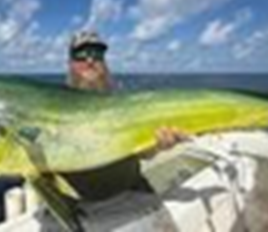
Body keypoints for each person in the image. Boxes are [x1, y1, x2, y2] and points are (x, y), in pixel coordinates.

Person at [62, 31, 187, 201]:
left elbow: (143, 153)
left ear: (104, 62)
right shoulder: (52, 106)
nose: (90, 60)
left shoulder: (123, 99)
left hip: (133, 190)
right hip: (79, 203)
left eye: (97, 54)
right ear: (70, 63)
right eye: (81, 55)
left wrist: (158, 145)